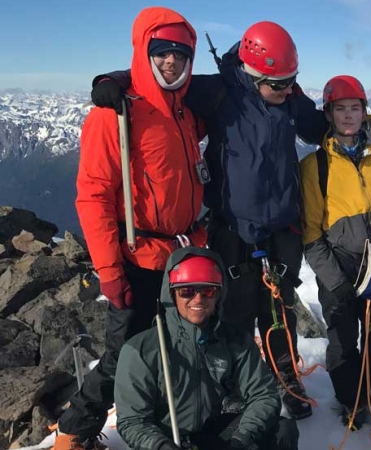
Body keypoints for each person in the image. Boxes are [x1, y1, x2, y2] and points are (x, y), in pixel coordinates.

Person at [89, 21, 361, 420]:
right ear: (252, 75)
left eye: (292, 81)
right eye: (278, 83)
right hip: (231, 229)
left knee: (278, 308)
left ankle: (286, 379)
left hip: (282, 226)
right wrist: (113, 79)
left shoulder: (289, 98)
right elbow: (163, 78)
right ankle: (234, 386)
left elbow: (322, 129)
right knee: (231, 314)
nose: (286, 90)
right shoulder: (218, 92)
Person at [54, 8, 205, 449]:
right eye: (161, 52)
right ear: (145, 53)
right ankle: (72, 433)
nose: (171, 62)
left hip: (184, 254)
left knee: (178, 348)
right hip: (139, 257)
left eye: (180, 54)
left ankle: (164, 419)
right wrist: (109, 271)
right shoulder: (115, 113)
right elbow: (94, 196)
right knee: (126, 355)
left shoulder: (186, 110)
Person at [299, 75, 371, 430]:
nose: (348, 116)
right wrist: (336, 282)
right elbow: (311, 236)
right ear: (329, 114)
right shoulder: (315, 166)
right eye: (340, 109)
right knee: (342, 339)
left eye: (355, 108)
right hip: (339, 264)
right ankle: (351, 400)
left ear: (365, 113)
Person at [114, 247, 300, 450]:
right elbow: (132, 420)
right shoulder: (141, 350)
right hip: (167, 440)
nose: (198, 299)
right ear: (172, 293)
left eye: (208, 291)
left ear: (219, 295)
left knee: (282, 431)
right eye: (187, 291)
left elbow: (264, 395)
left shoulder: (235, 341)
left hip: (215, 435)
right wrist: (160, 445)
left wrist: (241, 439)